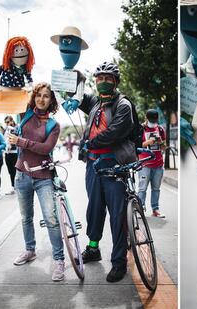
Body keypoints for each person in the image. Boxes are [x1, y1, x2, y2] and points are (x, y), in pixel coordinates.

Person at [62, 61, 136, 283]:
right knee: (94, 209)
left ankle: (119, 261)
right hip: (92, 166)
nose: (103, 81)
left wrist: (92, 143)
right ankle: (93, 248)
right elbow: (75, 92)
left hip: (113, 165)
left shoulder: (123, 105)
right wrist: (69, 73)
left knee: (117, 214)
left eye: (108, 78)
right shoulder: (95, 102)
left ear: (115, 81)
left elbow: (117, 131)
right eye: (99, 78)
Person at [8, 82, 65, 282]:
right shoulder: (24, 115)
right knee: (26, 218)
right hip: (22, 175)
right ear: (34, 97)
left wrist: (21, 142)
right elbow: (14, 92)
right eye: (39, 95)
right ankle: (29, 250)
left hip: (44, 177)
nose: (42, 99)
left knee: (51, 220)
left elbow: (44, 148)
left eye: (46, 96)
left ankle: (59, 260)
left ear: (51, 100)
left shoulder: (53, 125)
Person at [138, 109, 166, 218]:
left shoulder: (160, 129)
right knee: (142, 188)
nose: (153, 121)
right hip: (145, 164)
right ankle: (140, 209)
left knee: (156, 188)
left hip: (158, 164)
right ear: (146, 118)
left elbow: (164, 147)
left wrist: (160, 142)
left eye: (155, 119)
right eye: (151, 120)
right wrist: (148, 142)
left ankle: (155, 209)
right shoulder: (141, 129)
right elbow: (137, 146)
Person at [3, 116, 18, 195]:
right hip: (7, 153)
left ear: (12, 121)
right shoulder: (6, 129)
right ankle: (13, 186)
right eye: (6, 122)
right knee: (10, 171)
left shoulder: (16, 128)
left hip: (14, 153)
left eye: (8, 122)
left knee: (15, 171)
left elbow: (16, 139)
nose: (7, 124)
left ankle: (16, 187)